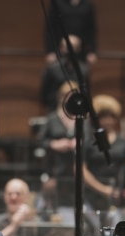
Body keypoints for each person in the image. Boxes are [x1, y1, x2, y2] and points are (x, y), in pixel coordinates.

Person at [82, 94, 125, 225]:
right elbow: (80, 170)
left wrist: (123, 190)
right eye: (103, 116)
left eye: (112, 116)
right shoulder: (88, 142)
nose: (108, 120)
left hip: (117, 197)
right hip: (91, 195)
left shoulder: (124, 143)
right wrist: (103, 189)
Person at [38, 80, 79, 215]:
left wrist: (78, 143)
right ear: (61, 97)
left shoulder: (82, 118)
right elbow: (40, 140)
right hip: (55, 167)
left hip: (76, 168)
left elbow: (91, 140)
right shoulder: (52, 118)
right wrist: (54, 144)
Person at [40, 35, 89, 111]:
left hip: (76, 108)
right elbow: (45, 93)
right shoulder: (52, 68)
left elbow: (86, 93)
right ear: (61, 48)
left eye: (74, 47)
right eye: (67, 47)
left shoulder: (84, 70)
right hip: (54, 108)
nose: (70, 50)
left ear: (79, 49)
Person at [44, 0, 97, 66]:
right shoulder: (57, 3)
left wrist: (92, 51)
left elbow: (92, 30)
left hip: (81, 51)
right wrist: (50, 51)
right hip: (60, 49)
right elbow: (50, 29)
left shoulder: (87, 5)